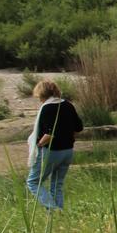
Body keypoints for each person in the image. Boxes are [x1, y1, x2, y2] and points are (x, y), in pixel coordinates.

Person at [26, 80, 83, 210]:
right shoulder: (68, 105)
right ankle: (58, 214)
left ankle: (53, 209)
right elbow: (78, 128)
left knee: (33, 182)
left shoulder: (47, 108)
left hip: (51, 151)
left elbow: (50, 134)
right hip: (68, 151)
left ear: (41, 94)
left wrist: (39, 145)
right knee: (57, 184)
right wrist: (68, 138)